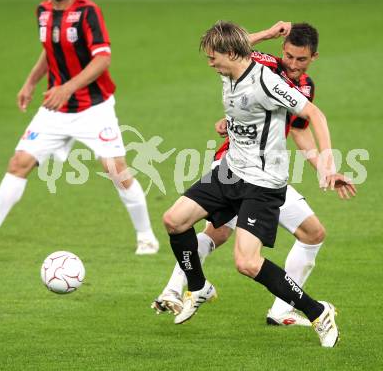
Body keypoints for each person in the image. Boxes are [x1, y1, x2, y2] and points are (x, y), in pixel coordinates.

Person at [152, 22, 355, 327]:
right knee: (212, 232)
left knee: (309, 233)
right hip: (236, 168)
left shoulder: (304, 87)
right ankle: (180, 288)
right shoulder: (265, 66)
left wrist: (326, 167)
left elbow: (300, 132)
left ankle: (279, 308)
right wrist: (268, 33)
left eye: (301, 59)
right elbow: (230, 46)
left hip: (264, 175)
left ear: (314, 57)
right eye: (288, 55)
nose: (292, 63)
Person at [0, 0, 159, 256]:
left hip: (94, 107)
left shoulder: (88, 12)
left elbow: (102, 58)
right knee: (19, 163)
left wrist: (65, 88)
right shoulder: (43, 12)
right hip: (56, 109)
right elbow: (49, 52)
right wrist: (30, 83)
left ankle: (146, 237)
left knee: (116, 170)